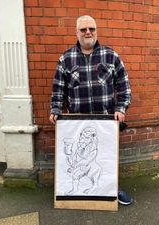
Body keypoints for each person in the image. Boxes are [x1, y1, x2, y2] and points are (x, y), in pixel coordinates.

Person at [49, 15, 133, 205]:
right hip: (78, 124)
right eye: (84, 29)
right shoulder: (66, 59)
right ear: (76, 32)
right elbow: (58, 89)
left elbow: (124, 85)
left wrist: (121, 107)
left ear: (96, 31)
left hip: (106, 122)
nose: (88, 32)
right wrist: (55, 108)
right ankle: (73, 190)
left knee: (107, 158)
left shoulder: (111, 56)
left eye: (92, 29)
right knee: (80, 160)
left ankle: (112, 189)